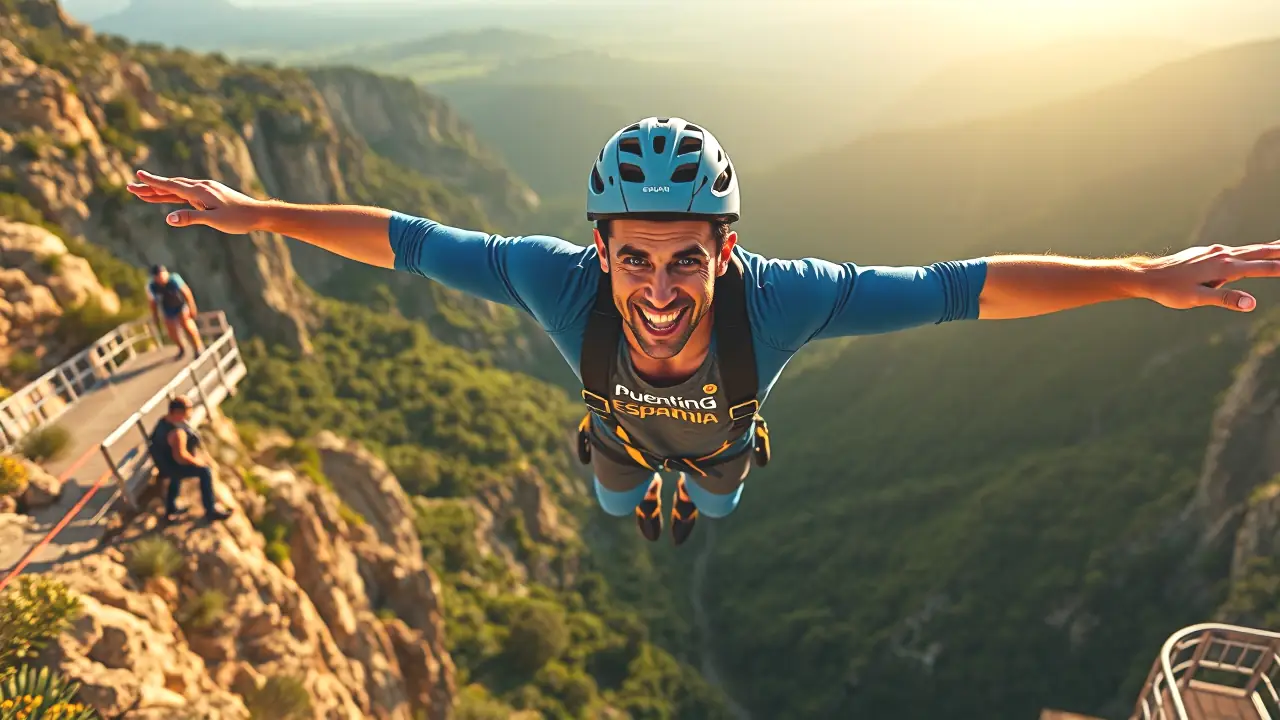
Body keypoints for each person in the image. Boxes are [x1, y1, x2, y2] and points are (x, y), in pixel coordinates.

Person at [125, 116, 1280, 547]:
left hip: (714, 440)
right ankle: (654, 500)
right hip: (624, 442)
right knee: (624, 498)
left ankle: (706, 493)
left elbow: (955, 289)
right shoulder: (555, 282)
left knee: (716, 498)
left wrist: (1140, 276)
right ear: (601, 248)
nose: (660, 287)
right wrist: (259, 212)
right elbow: (409, 240)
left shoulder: (779, 297)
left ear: (725, 250)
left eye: (687, 257)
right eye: (634, 257)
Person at [148, 395, 231, 522]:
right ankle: (210, 509)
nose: (189, 414)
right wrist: (198, 463)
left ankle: (171, 508)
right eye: (188, 410)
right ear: (178, 412)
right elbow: (180, 457)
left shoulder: (163, 422)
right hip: (171, 466)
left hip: (162, 463)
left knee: (176, 476)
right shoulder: (176, 433)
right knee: (205, 472)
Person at [147, 264, 204, 360]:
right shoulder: (153, 286)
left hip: (180, 305)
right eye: (158, 276)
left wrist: (192, 307)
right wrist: (155, 316)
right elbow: (153, 303)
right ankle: (181, 347)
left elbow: (186, 293)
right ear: (155, 278)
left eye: (162, 275)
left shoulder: (174, 280)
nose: (161, 278)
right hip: (168, 308)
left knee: (186, 325)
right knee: (171, 331)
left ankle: (198, 347)